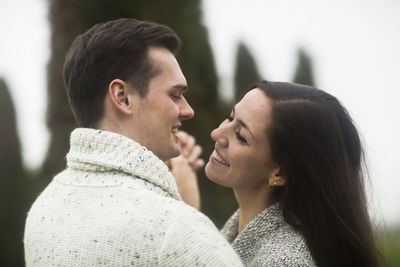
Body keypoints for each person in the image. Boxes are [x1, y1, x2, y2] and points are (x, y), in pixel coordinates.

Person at [23, 18, 243, 266]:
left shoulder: (43, 211)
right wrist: (184, 215)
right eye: (175, 95)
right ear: (122, 96)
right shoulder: (177, 229)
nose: (188, 110)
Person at [172, 80, 379, 266]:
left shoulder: (284, 261)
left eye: (241, 136)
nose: (216, 133)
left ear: (280, 173)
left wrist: (186, 209)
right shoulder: (240, 227)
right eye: (230, 117)